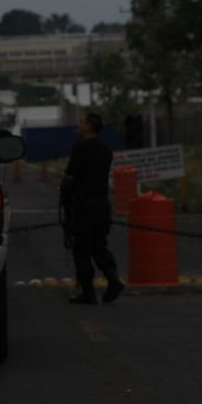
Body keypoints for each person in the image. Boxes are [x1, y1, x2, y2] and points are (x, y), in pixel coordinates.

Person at [60, 112, 125, 304]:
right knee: (98, 245)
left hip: (83, 205)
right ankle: (113, 280)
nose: (78, 125)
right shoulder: (106, 150)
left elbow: (69, 177)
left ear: (89, 126)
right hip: (101, 204)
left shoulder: (79, 148)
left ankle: (88, 292)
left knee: (81, 248)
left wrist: (64, 192)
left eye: (81, 122)